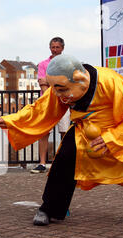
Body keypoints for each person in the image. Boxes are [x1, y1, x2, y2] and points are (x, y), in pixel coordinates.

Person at [0, 54, 123, 227]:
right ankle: (49, 209)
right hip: (85, 131)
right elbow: (40, 109)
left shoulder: (111, 81)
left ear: (80, 78)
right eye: (54, 89)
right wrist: (11, 120)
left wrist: (112, 137)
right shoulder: (60, 88)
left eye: (61, 89)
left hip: (121, 132)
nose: (57, 94)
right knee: (63, 159)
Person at [31, 37, 71, 174]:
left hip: (64, 103)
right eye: (53, 47)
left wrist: (49, 81)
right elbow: (43, 85)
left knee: (64, 133)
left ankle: (63, 163)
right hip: (47, 104)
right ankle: (42, 163)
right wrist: (53, 85)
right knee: (44, 133)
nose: (55, 50)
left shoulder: (68, 64)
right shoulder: (42, 64)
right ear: (50, 48)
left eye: (57, 47)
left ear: (62, 48)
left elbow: (68, 83)